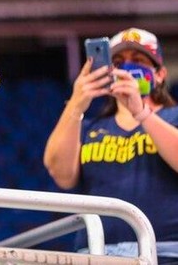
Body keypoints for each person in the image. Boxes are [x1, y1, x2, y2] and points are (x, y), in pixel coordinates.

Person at [43, 28, 178, 264]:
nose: (126, 68)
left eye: (138, 60)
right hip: (97, 252)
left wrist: (141, 113)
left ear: (159, 74)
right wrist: (76, 104)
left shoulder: (173, 117)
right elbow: (61, 174)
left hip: (165, 252)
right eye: (117, 62)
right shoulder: (89, 127)